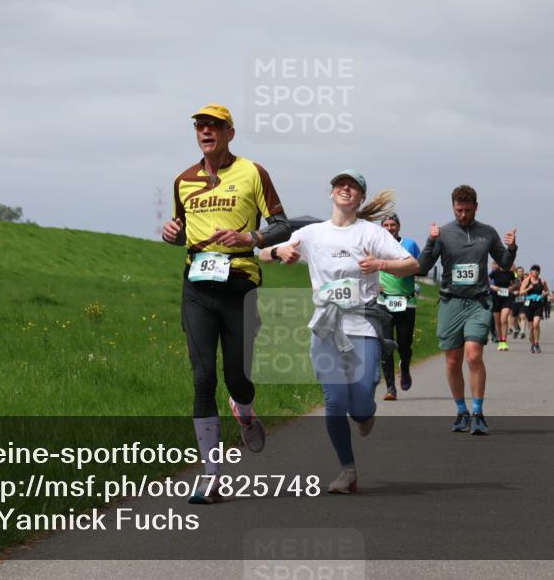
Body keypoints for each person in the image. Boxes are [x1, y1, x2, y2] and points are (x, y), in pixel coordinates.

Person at [162, 103, 293, 504]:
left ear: (230, 133)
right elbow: (180, 229)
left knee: (236, 377)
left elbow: (283, 225)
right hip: (197, 286)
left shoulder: (253, 172)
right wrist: (171, 232)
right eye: (201, 126)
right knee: (203, 378)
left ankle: (245, 410)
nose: (206, 131)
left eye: (215, 126)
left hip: (240, 284)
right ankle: (211, 475)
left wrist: (252, 239)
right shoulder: (183, 180)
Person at [260, 171, 418, 493]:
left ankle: (366, 412)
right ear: (331, 193)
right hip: (326, 327)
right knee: (334, 402)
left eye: (353, 186)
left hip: (362, 324)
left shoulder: (371, 234)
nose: (345, 189)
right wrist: (278, 252)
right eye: (340, 185)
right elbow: (262, 253)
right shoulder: (312, 234)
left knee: (359, 404)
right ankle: (347, 471)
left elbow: (412, 264)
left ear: (360, 198)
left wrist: (381, 265)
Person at [417, 185, 517, 435]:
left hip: (478, 302)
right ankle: (461, 411)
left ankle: (478, 413)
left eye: (467, 210)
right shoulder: (442, 233)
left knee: (473, 355)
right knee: (452, 361)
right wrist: (430, 241)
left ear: (476, 207)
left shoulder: (488, 233)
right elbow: (421, 267)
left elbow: (504, 263)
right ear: (453, 207)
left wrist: (512, 248)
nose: (463, 214)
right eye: (458, 210)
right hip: (451, 301)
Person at [378, 213, 421, 400]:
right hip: (383, 302)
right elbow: (365, 267)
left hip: (406, 303)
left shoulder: (410, 245)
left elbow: (420, 267)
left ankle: (404, 368)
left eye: (393, 224)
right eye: (386, 225)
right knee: (385, 346)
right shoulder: (375, 245)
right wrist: (372, 282)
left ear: (399, 226)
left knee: (404, 345)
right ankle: (390, 388)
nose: (389, 228)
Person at [519, 265, 547, 353]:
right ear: (531, 271)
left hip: (538, 304)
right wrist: (529, 288)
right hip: (529, 304)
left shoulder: (542, 281)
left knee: (536, 324)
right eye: (534, 270)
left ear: (539, 272)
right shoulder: (526, 280)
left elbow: (546, 291)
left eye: (537, 270)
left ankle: (537, 343)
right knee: (531, 327)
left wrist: (544, 294)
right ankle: (532, 343)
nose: (535, 271)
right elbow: (521, 292)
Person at [489, 260, 515, 351]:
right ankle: (500, 341)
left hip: (507, 298)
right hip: (496, 298)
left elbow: (515, 284)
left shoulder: (511, 273)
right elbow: (486, 282)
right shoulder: (494, 273)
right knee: (497, 322)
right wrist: (492, 287)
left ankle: (504, 341)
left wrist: (511, 288)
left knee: (504, 319)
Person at [510, 266, 526, 339]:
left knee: (523, 316)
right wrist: (513, 291)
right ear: (516, 272)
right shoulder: (513, 280)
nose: (521, 272)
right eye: (519, 271)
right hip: (514, 300)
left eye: (522, 271)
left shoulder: (526, 280)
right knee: (514, 318)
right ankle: (515, 330)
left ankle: (522, 331)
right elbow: (509, 288)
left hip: (523, 300)